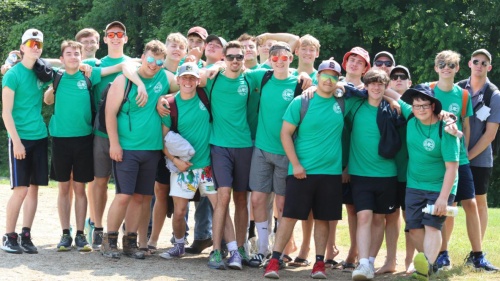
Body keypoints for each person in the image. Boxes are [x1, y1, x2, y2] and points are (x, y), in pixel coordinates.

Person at [264, 59, 354, 279]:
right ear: (318, 76)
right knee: (289, 216)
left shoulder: (343, 102)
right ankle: (274, 261)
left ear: (338, 79)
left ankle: (319, 263)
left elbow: (373, 91)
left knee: (323, 219)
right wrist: (295, 164)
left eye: (334, 76)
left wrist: (344, 87)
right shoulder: (301, 101)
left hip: (331, 173)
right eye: (325, 75)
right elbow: (285, 134)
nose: (329, 79)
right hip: (301, 171)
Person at [99, 40, 171, 259]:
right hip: (127, 148)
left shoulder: (164, 77)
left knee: (141, 198)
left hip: (152, 149)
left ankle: (129, 241)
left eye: (159, 61)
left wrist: (166, 97)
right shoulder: (123, 81)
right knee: (123, 196)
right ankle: (108, 241)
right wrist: (114, 144)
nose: (154, 64)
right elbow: (109, 114)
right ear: (142, 57)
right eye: (150, 59)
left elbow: (189, 87)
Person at [430, 50, 494, 272]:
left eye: (450, 64)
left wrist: (462, 152)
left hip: (460, 159)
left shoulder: (463, 95)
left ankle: (478, 256)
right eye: (442, 64)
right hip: (436, 160)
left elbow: (466, 125)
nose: (446, 67)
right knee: (446, 206)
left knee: (472, 203)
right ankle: (442, 255)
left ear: (458, 68)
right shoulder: (428, 91)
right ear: (436, 67)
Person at [396, 84, 460, 281]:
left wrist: (443, 198)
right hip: (414, 185)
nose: (420, 109)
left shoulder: (446, 130)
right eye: (416, 105)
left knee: (432, 226)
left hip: (440, 187)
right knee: (414, 229)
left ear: (433, 106)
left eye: (425, 105)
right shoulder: (410, 117)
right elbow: (391, 94)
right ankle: (429, 266)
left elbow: (452, 167)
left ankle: (425, 270)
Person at [1, 28, 48, 254]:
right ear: (22, 48)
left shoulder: (42, 72)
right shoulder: (13, 74)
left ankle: (26, 235)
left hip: (39, 136)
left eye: (38, 44)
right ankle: (9, 236)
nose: (35, 47)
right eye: (30, 44)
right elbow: (6, 113)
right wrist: (16, 142)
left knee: (33, 190)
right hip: (20, 139)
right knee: (20, 189)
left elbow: (66, 62)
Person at [349, 69, 399, 280]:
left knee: (380, 219)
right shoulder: (355, 105)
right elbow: (336, 90)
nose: (376, 87)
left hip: (387, 174)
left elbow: (418, 109)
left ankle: (369, 262)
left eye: (381, 84)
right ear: (366, 85)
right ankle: (362, 263)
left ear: (385, 86)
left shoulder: (393, 108)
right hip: (360, 173)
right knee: (364, 216)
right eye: (372, 84)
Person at [456, 49, 500, 272]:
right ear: (469, 64)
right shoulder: (458, 88)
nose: (479, 65)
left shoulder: (494, 94)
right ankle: (442, 254)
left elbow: (490, 135)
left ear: (489, 67)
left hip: (480, 158)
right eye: (476, 61)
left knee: (479, 203)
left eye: (484, 63)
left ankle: (477, 255)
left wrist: (466, 157)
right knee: (451, 204)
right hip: (454, 156)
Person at [339, 46, 371, 273]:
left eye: (360, 62)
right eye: (351, 59)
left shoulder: (368, 91)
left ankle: (354, 252)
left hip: (353, 158)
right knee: (324, 207)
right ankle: (327, 251)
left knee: (352, 208)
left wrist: (348, 164)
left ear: (366, 68)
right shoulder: (331, 82)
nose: (354, 64)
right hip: (327, 155)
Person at [385, 65, 416, 273]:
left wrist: (395, 98)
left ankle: (409, 260)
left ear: (409, 83)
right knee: (390, 217)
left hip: (411, 172)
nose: (398, 79)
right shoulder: (382, 104)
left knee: (410, 217)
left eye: (402, 77)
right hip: (387, 170)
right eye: (393, 77)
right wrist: (389, 98)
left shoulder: (419, 104)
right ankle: (390, 260)